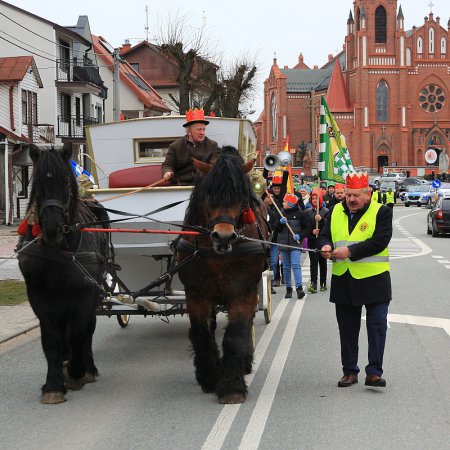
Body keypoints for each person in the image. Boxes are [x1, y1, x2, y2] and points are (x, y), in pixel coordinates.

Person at [318, 171, 393, 388]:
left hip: (375, 279)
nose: (351, 199)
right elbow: (324, 235)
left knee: (377, 326)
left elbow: (380, 241)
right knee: (347, 328)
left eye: (356, 195)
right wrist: (324, 246)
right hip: (344, 279)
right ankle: (350, 371)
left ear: (368, 194)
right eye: (348, 195)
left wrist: (349, 251)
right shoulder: (334, 211)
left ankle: (374, 372)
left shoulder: (382, 212)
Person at [161, 108, 218, 185]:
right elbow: (167, 165)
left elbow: (215, 166)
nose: (202, 133)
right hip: (180, 185)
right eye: (199, 129)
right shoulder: (175, 146)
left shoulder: (212, 145)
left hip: (204, 186)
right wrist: (167, 172)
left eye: (203, 130)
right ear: (189, 131)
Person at [275, 193, 310, 299]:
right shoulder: (281, 213)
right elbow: (276, 230)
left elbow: (307, 229)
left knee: (295, 265)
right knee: (286, 267)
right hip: (283, 244)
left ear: (290, 204)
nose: (283, 203)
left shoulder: (301, 214)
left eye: (285, 202)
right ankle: (288, 289)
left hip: (295, 245)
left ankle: (299, 288)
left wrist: (300, 235)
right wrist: (280, 223)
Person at [263, 176, 284, 293]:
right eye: (268, 197)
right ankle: (265, 285)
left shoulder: (274, 209)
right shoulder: (260, 209)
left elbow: (276, 224)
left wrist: (280, 222)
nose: (270, 199)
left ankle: (270, 284)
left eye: (271, 196)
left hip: (274, 240)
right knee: (264, 263)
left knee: (274, 262)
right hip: (263, 241)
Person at [305, 188, 329, 293]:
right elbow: (305, 226)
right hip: (312, 240)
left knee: (322, 262)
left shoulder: (326, 211)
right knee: (313, 262)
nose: (314, 200)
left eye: (316, 198)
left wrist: (322, 220)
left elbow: (329, 225)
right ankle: (313, 283)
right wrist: (311, 231)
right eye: (313, 198)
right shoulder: (308, 212)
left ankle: (323, 282)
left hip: (322, 240)